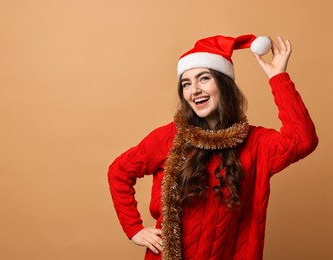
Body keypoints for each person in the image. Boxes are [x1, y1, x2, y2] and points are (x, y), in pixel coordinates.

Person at [107, 34, 318, 260]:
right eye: (186, 84)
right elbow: (119, 171)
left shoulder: (255, 143)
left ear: (224, 84)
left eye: (204, 79)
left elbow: (302, 140)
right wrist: (134, 230)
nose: (194, 89)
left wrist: (278, 77)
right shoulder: (168, 137)